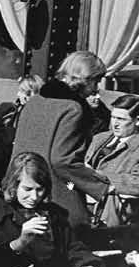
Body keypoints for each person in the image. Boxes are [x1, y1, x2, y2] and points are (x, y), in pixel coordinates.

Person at [0, 152, 98, 267]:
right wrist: (20, 242)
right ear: (13, 185)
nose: (34, 197)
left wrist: (84, 265)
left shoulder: (54, 214)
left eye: (39, 189)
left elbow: (72, 246)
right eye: (27, 189)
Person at [9, 49, 109, 224]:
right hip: (57, 191)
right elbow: (62, 162)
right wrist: (101, 185)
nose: (96, 88)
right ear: (85, 79)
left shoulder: (35, 101)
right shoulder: (73, 109)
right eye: (96, 81)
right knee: (78, 227)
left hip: (22, 186)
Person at [81, 94, 139, 220]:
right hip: (82, 196)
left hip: (113, 207)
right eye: (113, 117)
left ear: (138, 120)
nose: (115, 124)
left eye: (121, 119)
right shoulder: (99, 139)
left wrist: (100, 176)